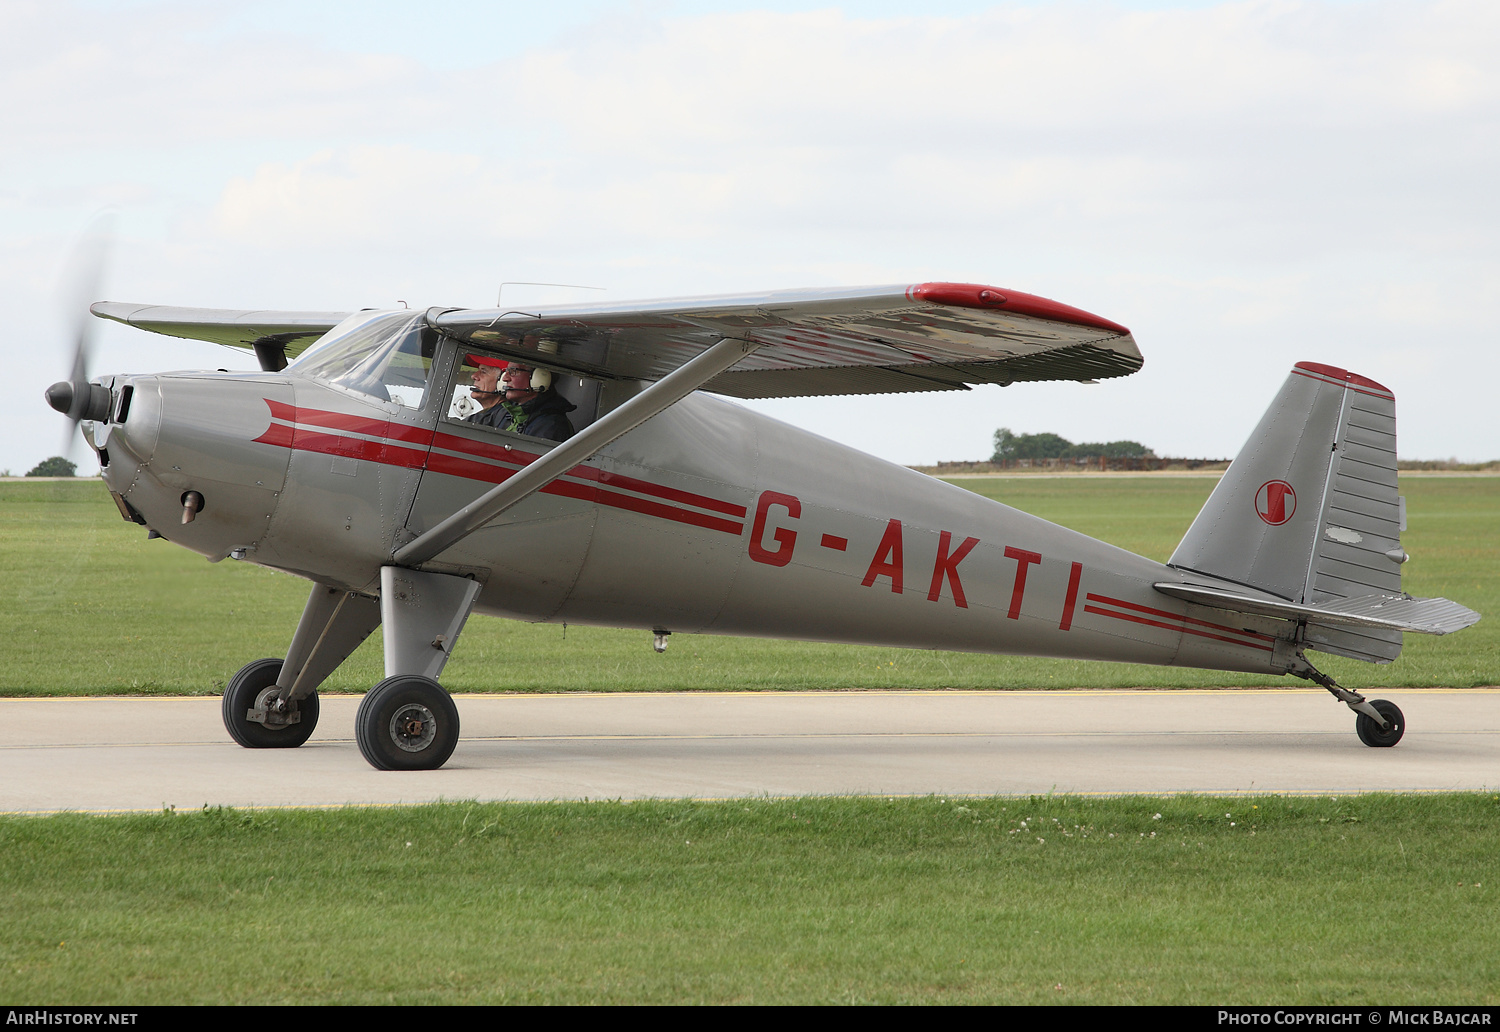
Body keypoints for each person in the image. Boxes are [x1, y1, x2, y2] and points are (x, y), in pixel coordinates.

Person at [464, 357, 576, 442]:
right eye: (506, 372)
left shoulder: (550, 426)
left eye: (513, 371)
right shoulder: (507, 412)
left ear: (538, 378)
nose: (506, 378)